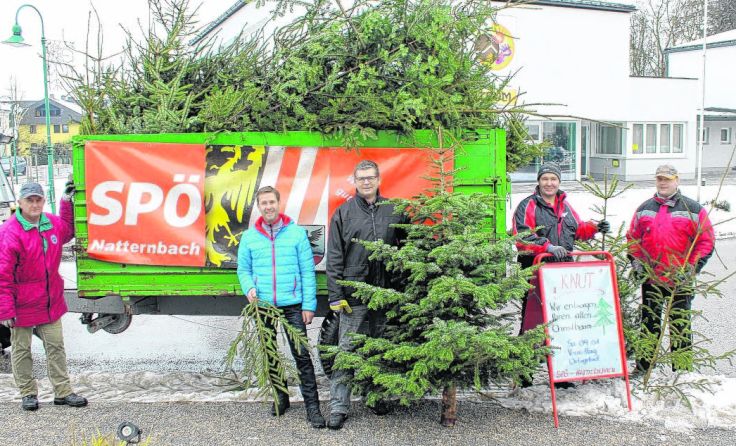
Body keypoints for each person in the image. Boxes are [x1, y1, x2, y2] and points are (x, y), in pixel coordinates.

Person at [325, 160, 409, 430]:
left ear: (378, 179)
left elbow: (408, 248)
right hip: (354, 295)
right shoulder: (344, 213)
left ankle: (375, 398)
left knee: (379, 349)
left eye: (370, 177)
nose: (366, 182)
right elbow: (334, 256)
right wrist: (336, 294)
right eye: (361, 178)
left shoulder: (394, 211)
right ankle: (338, 407)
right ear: (355, 181)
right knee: (346, 351)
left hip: (385, 293)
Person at [512, 162, 609, 387]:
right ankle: (524, 373)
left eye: (553, 179)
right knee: (533, 322)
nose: (549, 183)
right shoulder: (527, 205)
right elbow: (521, 236)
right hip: (535, 271)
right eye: (545, 179)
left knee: (562, 323)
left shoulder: (565, 206)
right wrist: (547, 247)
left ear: (559, 182)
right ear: (539, 181)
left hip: (562, 274)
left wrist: (595, 228)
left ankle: (561, 373)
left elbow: (578, 229)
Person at [236, 186, 325, 429]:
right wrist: (249, 287)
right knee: (270, 354)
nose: (268, 207)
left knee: (301, 355)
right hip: (263, 305)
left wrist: (309, 305)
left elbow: (307, 271)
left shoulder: (296, 234)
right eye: (263, 203)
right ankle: (280, 397)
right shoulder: (249, 237)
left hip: (293, 304)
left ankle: (313, 408)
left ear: (278, 203)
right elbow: (243, 270)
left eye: (271, 202)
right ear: (258, 207)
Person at [0, 181, 87, 411]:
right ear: (20, 202)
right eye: (30, 200)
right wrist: (5, 310)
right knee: (22, 350)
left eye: (38, 199)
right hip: (21, 304)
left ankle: (63, 392)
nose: (34, 204)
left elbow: (68, 229)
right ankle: (28, 393)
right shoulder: (9, 232)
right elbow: (2, 275)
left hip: (49, 301)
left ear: (43, 201)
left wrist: (66, 202)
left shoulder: (51, 223)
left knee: (56, 347)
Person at [627, 164, 714, 372]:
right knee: (649, 324)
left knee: (680, 325)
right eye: (659, 179)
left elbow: (706, 242)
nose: (663, 183)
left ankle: (682, 370)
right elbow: (633, 239)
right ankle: (644, 368)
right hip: (651, 279)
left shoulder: (693, 209)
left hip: (680, 279)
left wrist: (691, 268)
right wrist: (638, 264)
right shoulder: (644, 208)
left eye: (667, 179)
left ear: (677, 180)